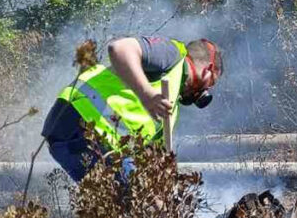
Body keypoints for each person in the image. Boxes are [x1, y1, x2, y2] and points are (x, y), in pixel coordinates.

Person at [42, 36, 223, 182]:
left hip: (73, 135)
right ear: (208, 70)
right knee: (138, 204)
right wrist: (146, 93)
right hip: (81, 120)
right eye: (211, 83)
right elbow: (120, 48)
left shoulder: (169, 101)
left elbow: (146, 154)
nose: (203, 92)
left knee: (121, 209)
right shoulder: (173, 54)